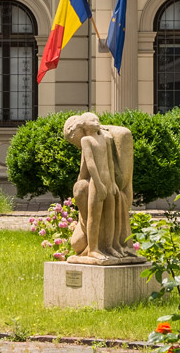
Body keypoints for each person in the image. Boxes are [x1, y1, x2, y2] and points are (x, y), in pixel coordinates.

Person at [64, 112, 136, 262]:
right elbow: (90, 164)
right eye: (92, 120)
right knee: (94, 216)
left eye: (97, 119)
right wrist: (97, 183)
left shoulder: (105, 138)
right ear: (83, 125)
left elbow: (109, 162)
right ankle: (93, 249)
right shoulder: (86, 140)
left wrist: (113, 183)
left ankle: (110, 245)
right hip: (97, 184)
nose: (97, 122)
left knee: (110, 215)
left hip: (109, 182)